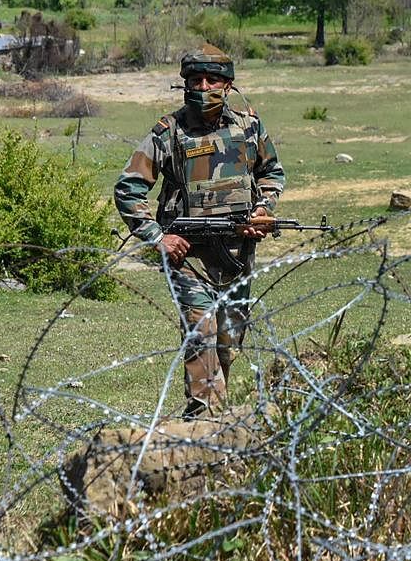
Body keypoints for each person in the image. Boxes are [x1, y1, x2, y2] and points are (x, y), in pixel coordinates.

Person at [114, 44, 285, 418]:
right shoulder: (168, 132)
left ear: (227, 84)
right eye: (195, 80)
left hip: (237, 258)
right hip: (187, 258)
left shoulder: (249, 127)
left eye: (212, 80)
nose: (203, 87)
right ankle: (209, 421)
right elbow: (128, 188)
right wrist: (159, 238)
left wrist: (262, 210)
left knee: (228, 345)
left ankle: (205, 422)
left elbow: (271, 173)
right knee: (200, 337)